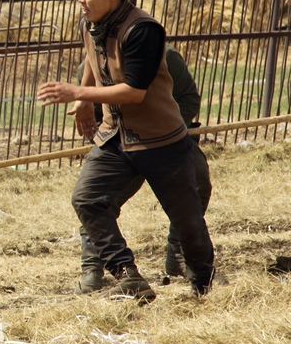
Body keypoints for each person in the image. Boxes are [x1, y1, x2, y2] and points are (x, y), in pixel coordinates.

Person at [37, 0, 215, 303]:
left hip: (161, 141)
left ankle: (202, 288)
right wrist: (84, 99)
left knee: (187, 221)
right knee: (88, 199)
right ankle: (127, 275)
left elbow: (134, 92)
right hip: (115, 137)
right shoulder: (91, 22)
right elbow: (93, 56)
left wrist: (75, 91)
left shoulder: (142, 30)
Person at [73, 46, 212, 293]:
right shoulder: (89, 68)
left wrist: (166, 129)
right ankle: (94, 265)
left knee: (197, 180)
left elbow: (189, 98)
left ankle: (181, 257)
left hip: (166, 140)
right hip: (120, 145)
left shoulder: (164, 57)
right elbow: (94, 115)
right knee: (93, 195)